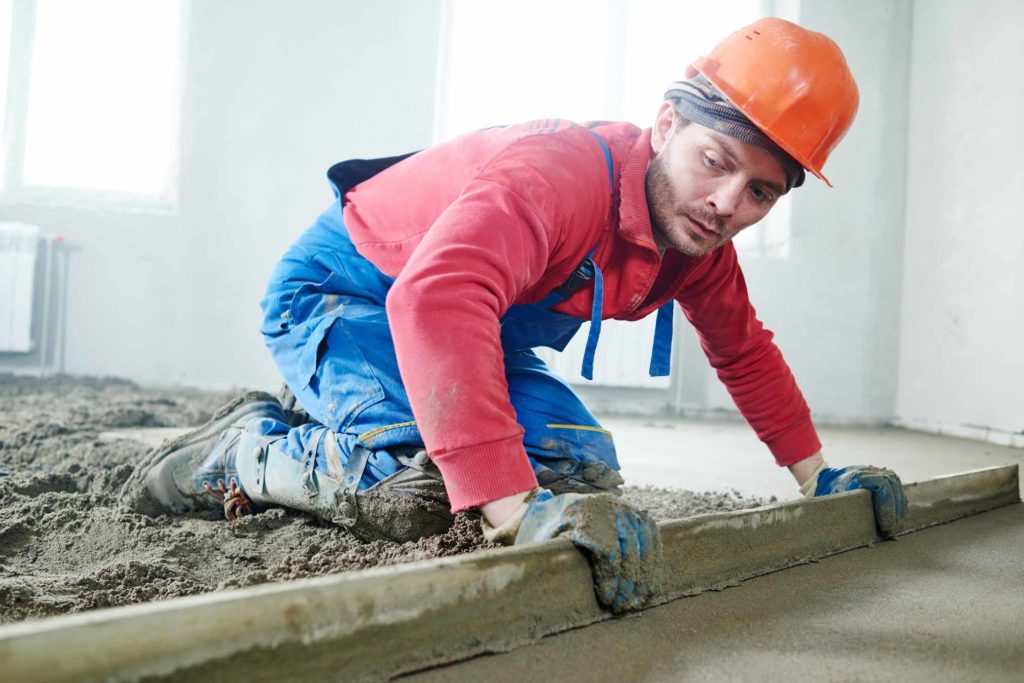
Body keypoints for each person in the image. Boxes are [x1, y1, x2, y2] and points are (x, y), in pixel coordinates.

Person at [123, 18, 906, 614]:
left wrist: (820, 475)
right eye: (717, 161)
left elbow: (743, 351)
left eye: (761, 193)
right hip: (348, 295)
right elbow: (435, 296)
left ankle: (350, 414)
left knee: (581, 472)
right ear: (668, 125)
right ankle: (242, 452)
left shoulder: (697, 242)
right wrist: (512, 512)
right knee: (426, 491)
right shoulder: (561, 175)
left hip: (460, 328)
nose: (728, 205)